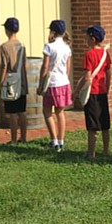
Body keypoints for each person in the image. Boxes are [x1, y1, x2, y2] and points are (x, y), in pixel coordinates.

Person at [38, 20, 72, 152]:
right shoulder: (67, 47)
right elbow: (67, 68)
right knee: (60, 112)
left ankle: (54, 140)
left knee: (47, 111)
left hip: (51, 83)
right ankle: (61, 141)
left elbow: (45, 66)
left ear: (52, 31)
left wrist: (41, 82)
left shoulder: (49, 46)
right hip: (63, 82)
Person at [81, 25, 111, 159]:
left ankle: (91, 153)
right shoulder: (105, 54)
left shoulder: (89, 54)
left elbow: (87, 76)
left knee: (92, 125)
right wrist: (107, 88)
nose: (85, 39)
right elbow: (108, 73)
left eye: (87, 37)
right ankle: (105, 151)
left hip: (92, 92)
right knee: (105, 123)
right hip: (102, 91)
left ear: (92, 39)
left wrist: (77, 90)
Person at [0, 17, 28, 143]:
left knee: (13, 113)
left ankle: (14, 139)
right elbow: (24, 64)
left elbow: (4, 66)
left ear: (7, 30)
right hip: (22, 82)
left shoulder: (4, 46)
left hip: (11, 83)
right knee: (22, 111)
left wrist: (1, 83)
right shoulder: (22, 45)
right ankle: (24, 137)